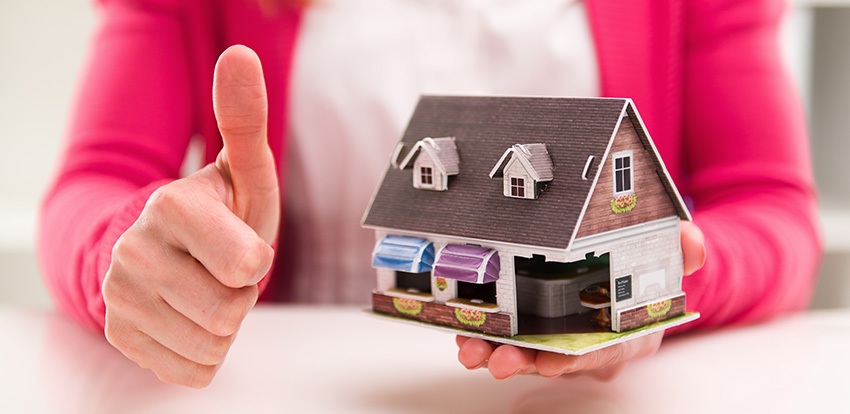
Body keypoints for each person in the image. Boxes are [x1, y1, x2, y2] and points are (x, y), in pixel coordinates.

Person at [37, 0, 821, 388]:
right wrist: (131, 251)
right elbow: (93, 181)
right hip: (292, 393)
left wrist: (662, 279)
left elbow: (772, 208)